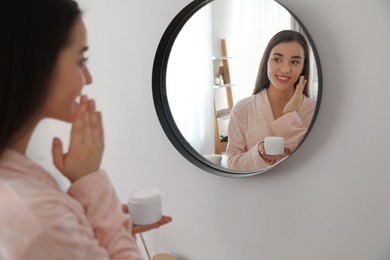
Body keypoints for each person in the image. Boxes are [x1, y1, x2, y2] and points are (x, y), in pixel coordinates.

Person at [0, 0, 171, 259]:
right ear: (35, 63)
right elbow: (50, 230)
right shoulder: (40, 219)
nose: (88, 78)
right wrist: (91, 183)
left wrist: (87, 221)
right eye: (81, 60)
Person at [227, 30, 316, 171]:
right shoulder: (243, 109)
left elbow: (315, 161)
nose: (285, 69)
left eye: (294, 62)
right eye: (277, 59)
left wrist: (289, 114)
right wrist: (260, 153)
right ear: (266, 61)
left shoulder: (314, 111)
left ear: (303, 67)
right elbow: (233, 163)